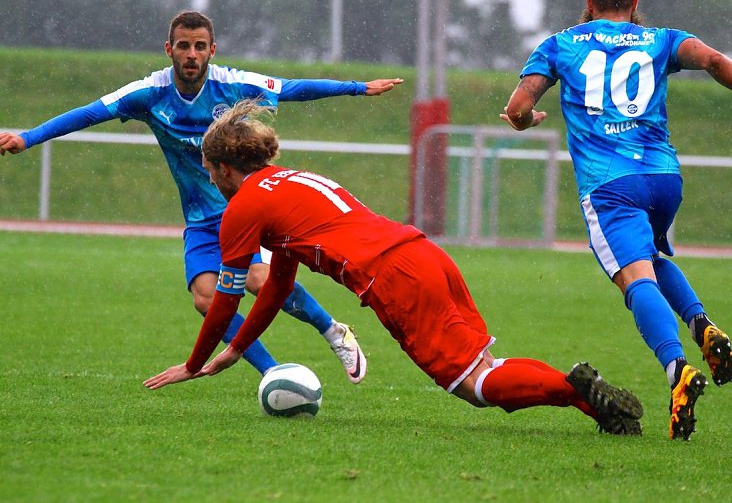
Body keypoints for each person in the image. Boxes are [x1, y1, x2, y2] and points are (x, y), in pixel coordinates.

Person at [143, 99, 645, 436]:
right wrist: (234, 351)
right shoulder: (289, 179)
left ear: (224, 167)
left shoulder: (242, 208)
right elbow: (277, 285)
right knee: (486, 367)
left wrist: (193, 365)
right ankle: (591, 404)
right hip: (424, 254)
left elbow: (227, 296)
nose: (210, 179)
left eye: (209, 171)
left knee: (473, 387)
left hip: (395, 280)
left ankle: (571, 385)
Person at [0, 10, 404, 383]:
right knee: (205, 298)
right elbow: (88, 113)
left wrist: (356, 88)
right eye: (182, 46)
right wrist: (28, 137)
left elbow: (293, 88)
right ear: (169, 49)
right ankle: (275, 373)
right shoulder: (149, 94)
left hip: (248, 208)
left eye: (199, 46)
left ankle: (333, 330)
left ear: (212, 50)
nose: (191, 54)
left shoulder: (232, 84)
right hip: (201, 219)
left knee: (262, 282)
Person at [501, 0, 732, 440]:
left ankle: (676, 369)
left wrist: (529, 122)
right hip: (664, 178)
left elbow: (519, 108)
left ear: (588, 3)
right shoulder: (660, 39)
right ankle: (701, 323)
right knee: (652, 258)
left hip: (609, 185)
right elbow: (714, 60)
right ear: (635, 2)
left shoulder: (560, 45)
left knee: (633, 278)